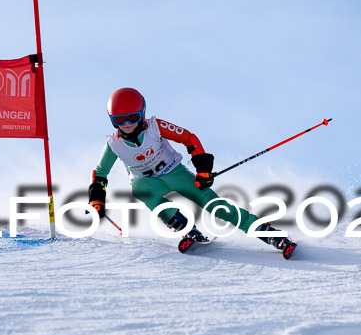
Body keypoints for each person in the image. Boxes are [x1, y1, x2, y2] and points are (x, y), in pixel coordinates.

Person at [87, 87, 296, 258]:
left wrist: (203, 170)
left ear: (141, 114)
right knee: (139, 188)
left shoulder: (155, 127)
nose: (127, 125)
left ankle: (268, 233)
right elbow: (100, 173)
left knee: (219, 208)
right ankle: (184, 226)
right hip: (150, 182)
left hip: (175, 173)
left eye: (132, 118)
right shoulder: (114, 144)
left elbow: (189, 138)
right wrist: (97, 199)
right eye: (120, 121)